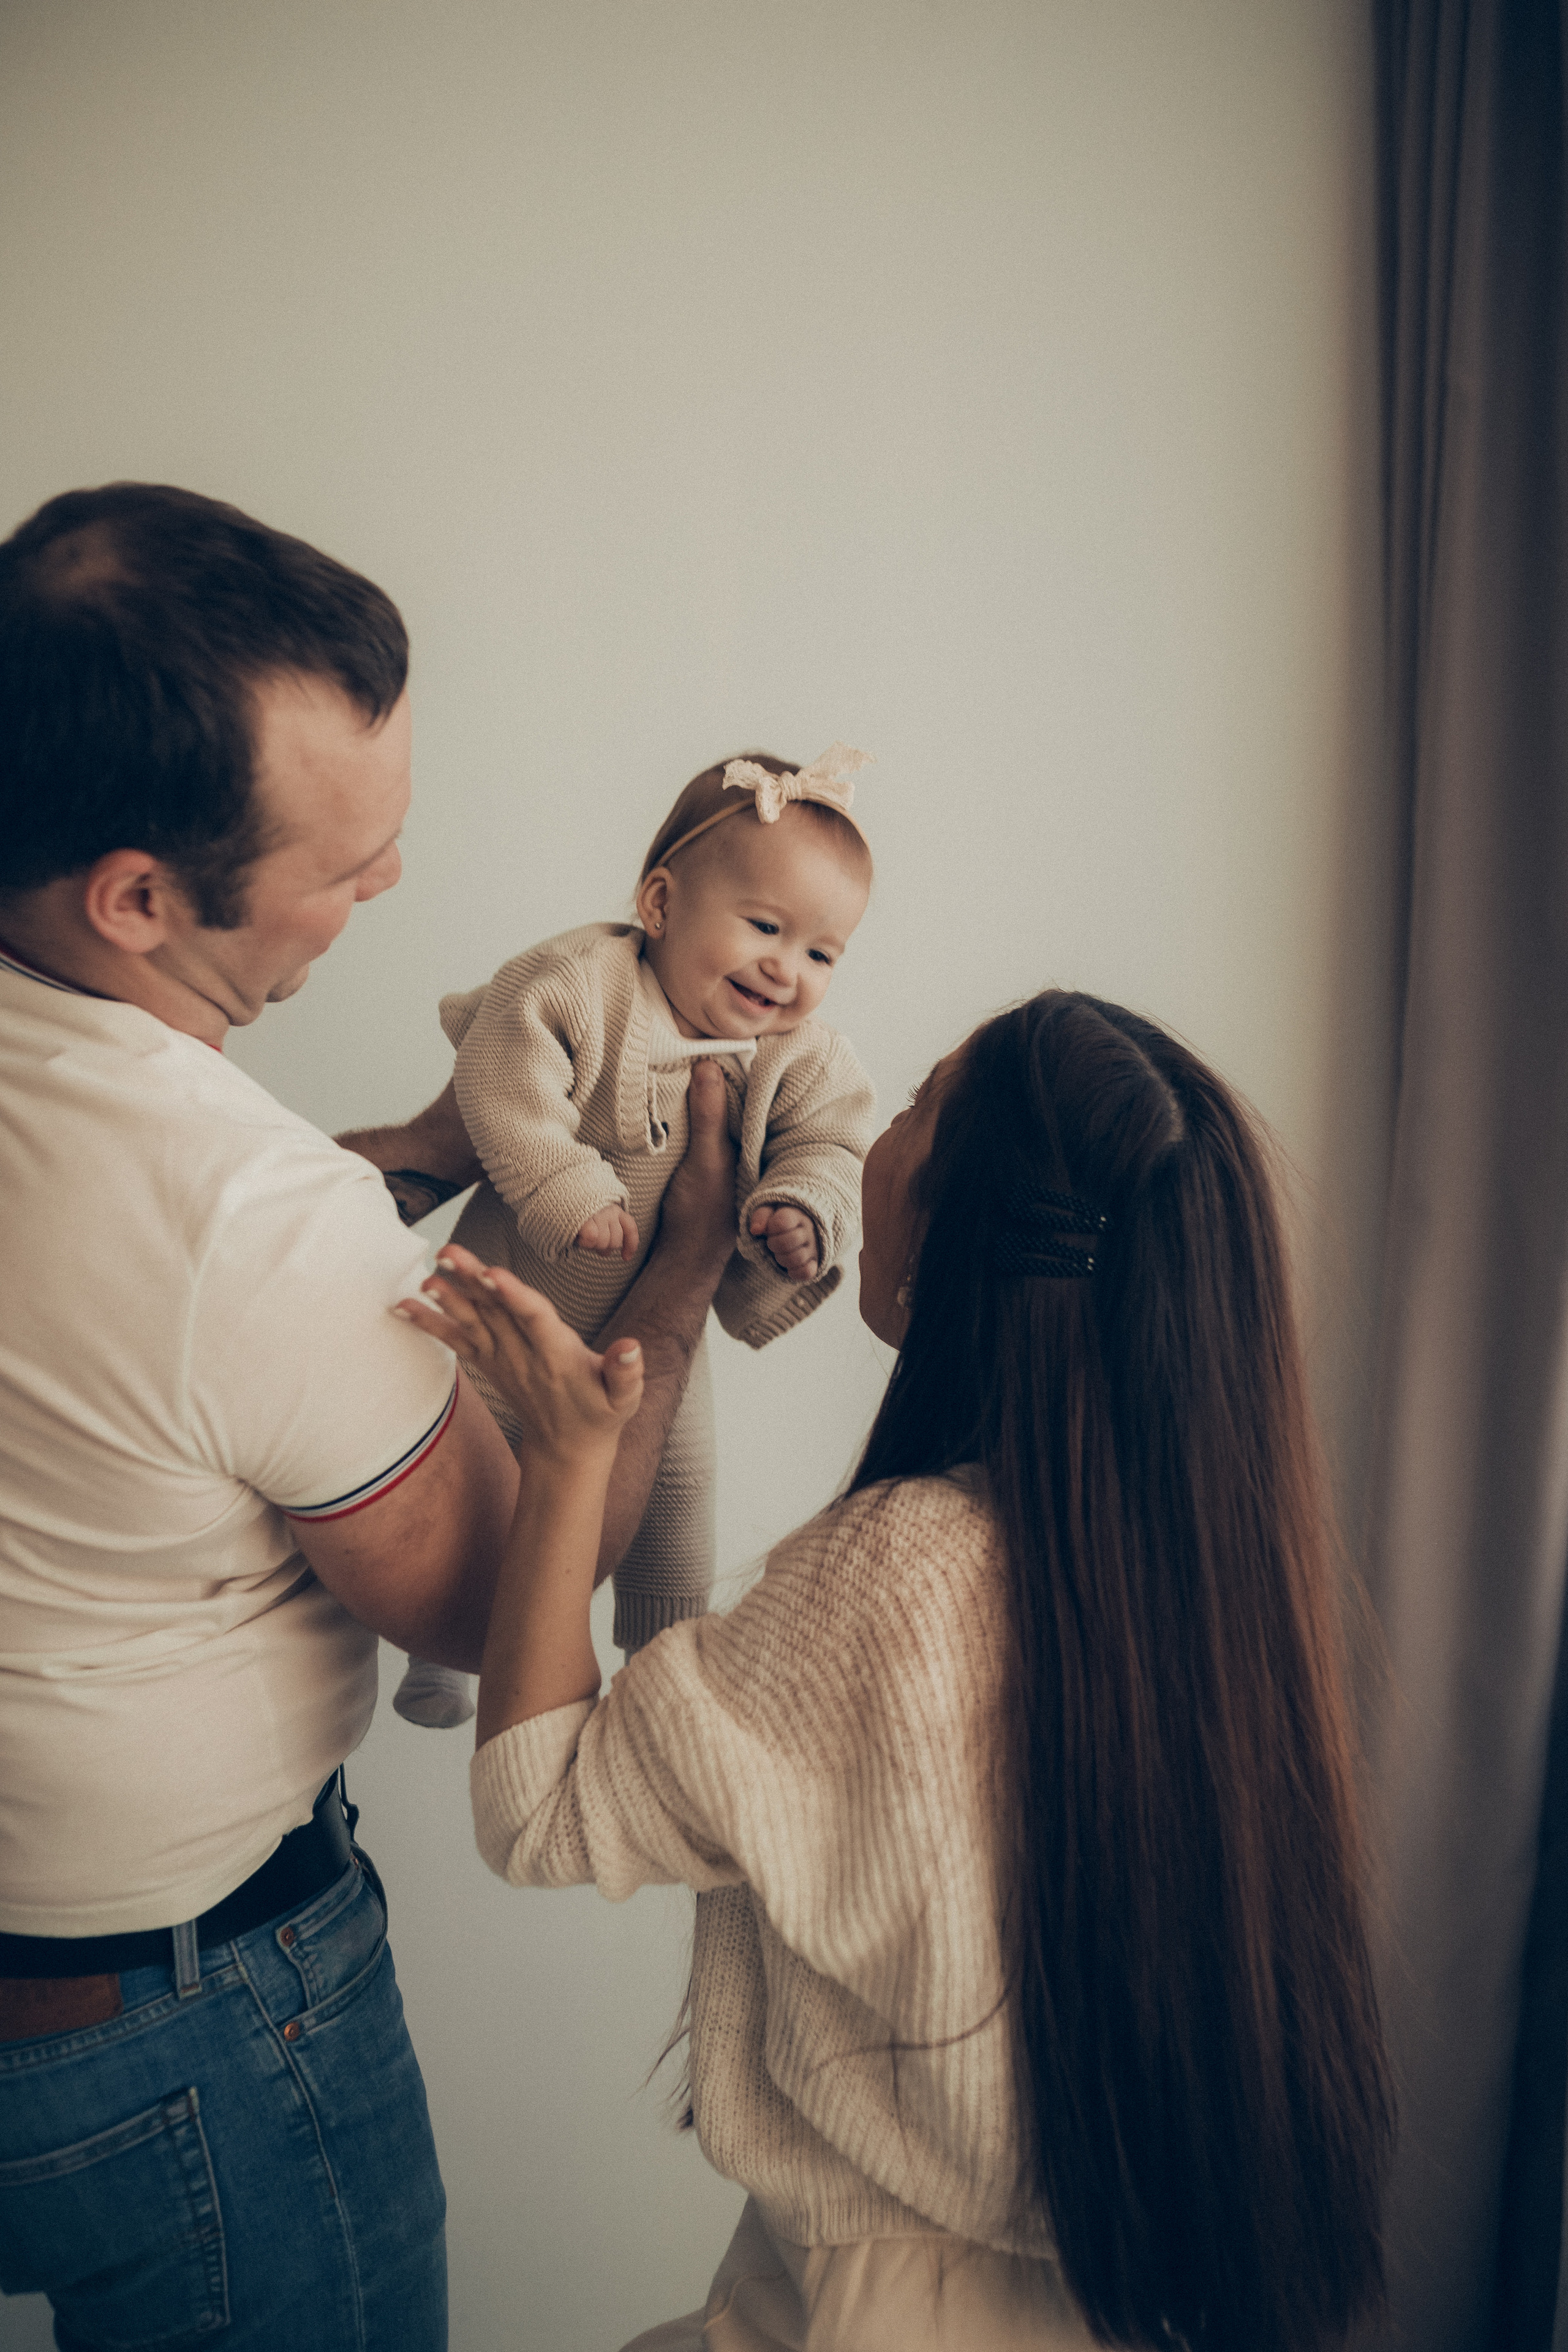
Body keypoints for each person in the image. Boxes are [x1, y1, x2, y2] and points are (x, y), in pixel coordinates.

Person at [0, 481, 736, 2352]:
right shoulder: (249, 1224)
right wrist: (678, 1278)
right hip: (171, 2045)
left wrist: (393, 1168)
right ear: (140, 899)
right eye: (349, 861)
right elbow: (506, 1613)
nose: (391, 889)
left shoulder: (235, 1204)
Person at [399, 989, 1396, 2352]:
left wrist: (576, 1450)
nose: (871, 1129)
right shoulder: (1215, 1596)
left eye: (918, 1105)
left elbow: (540, 1807)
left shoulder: (901, 1572)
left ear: (961, 1224)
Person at [385, 744, 878, 1730]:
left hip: (655, 1325)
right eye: (766, 927)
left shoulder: (799, 1055)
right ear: (660, 905)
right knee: (456, 1446)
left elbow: (833, 1140)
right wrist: (565, 1183)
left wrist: (803, 1208)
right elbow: (503, 1079)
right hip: (517, 1284)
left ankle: (663, 1647)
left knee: (677, 1482)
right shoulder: (583, 983)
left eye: (822, 953)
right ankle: (435, 1651)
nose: (788, 970)